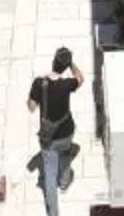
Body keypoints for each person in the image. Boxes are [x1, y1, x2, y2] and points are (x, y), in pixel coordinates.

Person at [26, 47, 83, 215]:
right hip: (67, 131)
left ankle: (53, 213)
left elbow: (31, 107)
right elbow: (80, 78)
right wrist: (71, 63)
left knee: (49, 177)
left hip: (48, 138)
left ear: (53, 61)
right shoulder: (67, 84)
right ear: (66, 67)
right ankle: (65, 182)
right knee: (65, 156)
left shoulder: (39, 83)